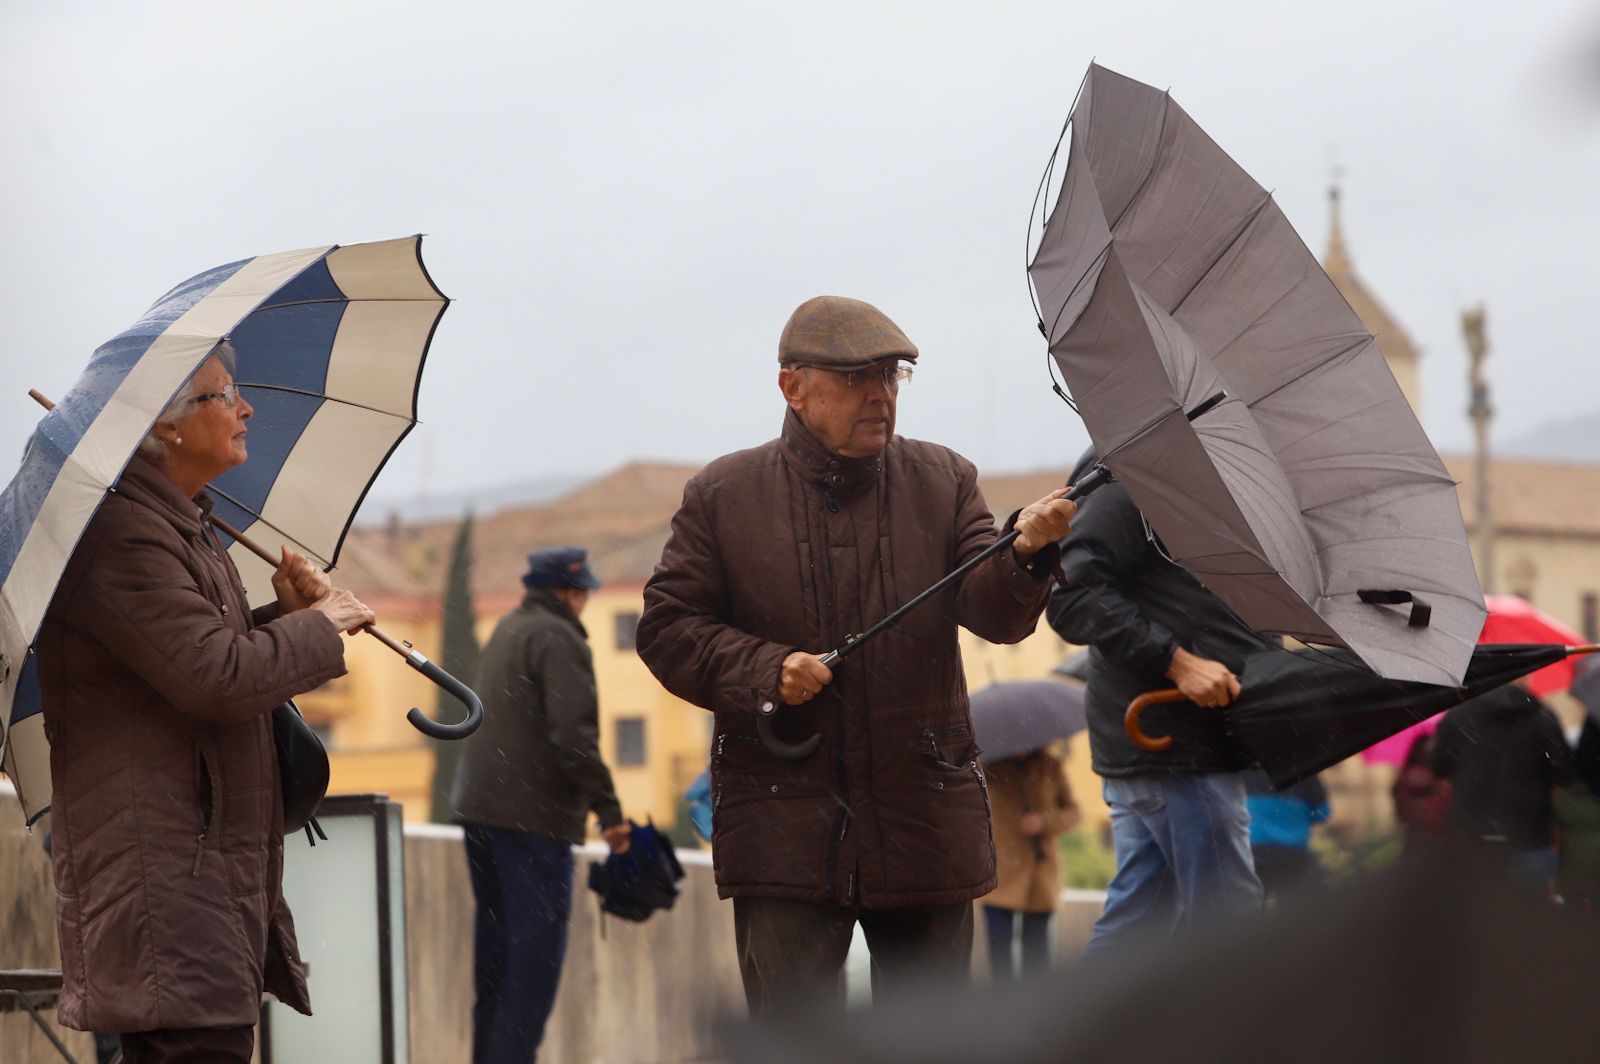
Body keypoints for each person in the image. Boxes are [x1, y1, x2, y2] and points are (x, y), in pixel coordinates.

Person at [636, 295, 1076, 1014]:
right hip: (783, 826)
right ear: (794, 387)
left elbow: (992, 612)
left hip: (923, 821)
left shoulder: (945, 481)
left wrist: (1027, 553)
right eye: (856, 379)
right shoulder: (723, 495)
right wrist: (766, 669)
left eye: (892, 377)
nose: (880, 395)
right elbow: (666, 630)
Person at [35, 347, 374, 1064]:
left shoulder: (181, 524)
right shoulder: (122, 535)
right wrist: (320, 627)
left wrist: (282, 617)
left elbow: (195, 654)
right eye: (225, 396)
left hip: (200, 885)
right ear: (168, 425)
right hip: (168, 890)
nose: (246, 409)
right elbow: (213, 678)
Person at [1046, 448, 1267, 957]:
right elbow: (1072, 593)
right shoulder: (1130, 469)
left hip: (1183, 743)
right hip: (1173, 742)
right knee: (1230, 928)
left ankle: (1084, 1036)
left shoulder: (1206, 472)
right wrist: (1179, 663)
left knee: (1138, 928)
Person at [450, 546, 631, 1063]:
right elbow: (572, 735)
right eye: (583, 593)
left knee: (497, 963)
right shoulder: (558, 636)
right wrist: (611, 814)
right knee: (532, 968)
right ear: (570, 593)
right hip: (531, 822)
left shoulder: (510, 627)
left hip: (481, 813)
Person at [1432, 683, 1575, 891]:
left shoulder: (1457, 717)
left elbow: (1438, 767)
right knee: (1529, 915)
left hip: (1472, 838)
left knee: (1474, 917)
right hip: (1529, 836)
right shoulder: (1542, 716)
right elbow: (1564, 772)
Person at [979, 746, 1080, 981]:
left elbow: (1073, 811)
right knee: (999, 953)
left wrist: (1044, 821)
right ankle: (1003, 1009)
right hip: (1001, 871)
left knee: (1036, 955)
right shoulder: (988, 766)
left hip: (1040, 871)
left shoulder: (1050, 766)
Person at [1243, 770, 1329, 901]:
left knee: (1254, 906)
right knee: (1291, 906)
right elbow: (1322, 813)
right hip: (1293, 853)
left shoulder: (1246, 770)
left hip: (1255, 853)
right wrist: (1296, 816)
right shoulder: (1304, 770)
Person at [1392, 731, 1452, 855]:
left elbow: (1402, 815)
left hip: (1414, 843)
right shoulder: (1430, 779)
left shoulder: (1402, 781)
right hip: (1435, 846)